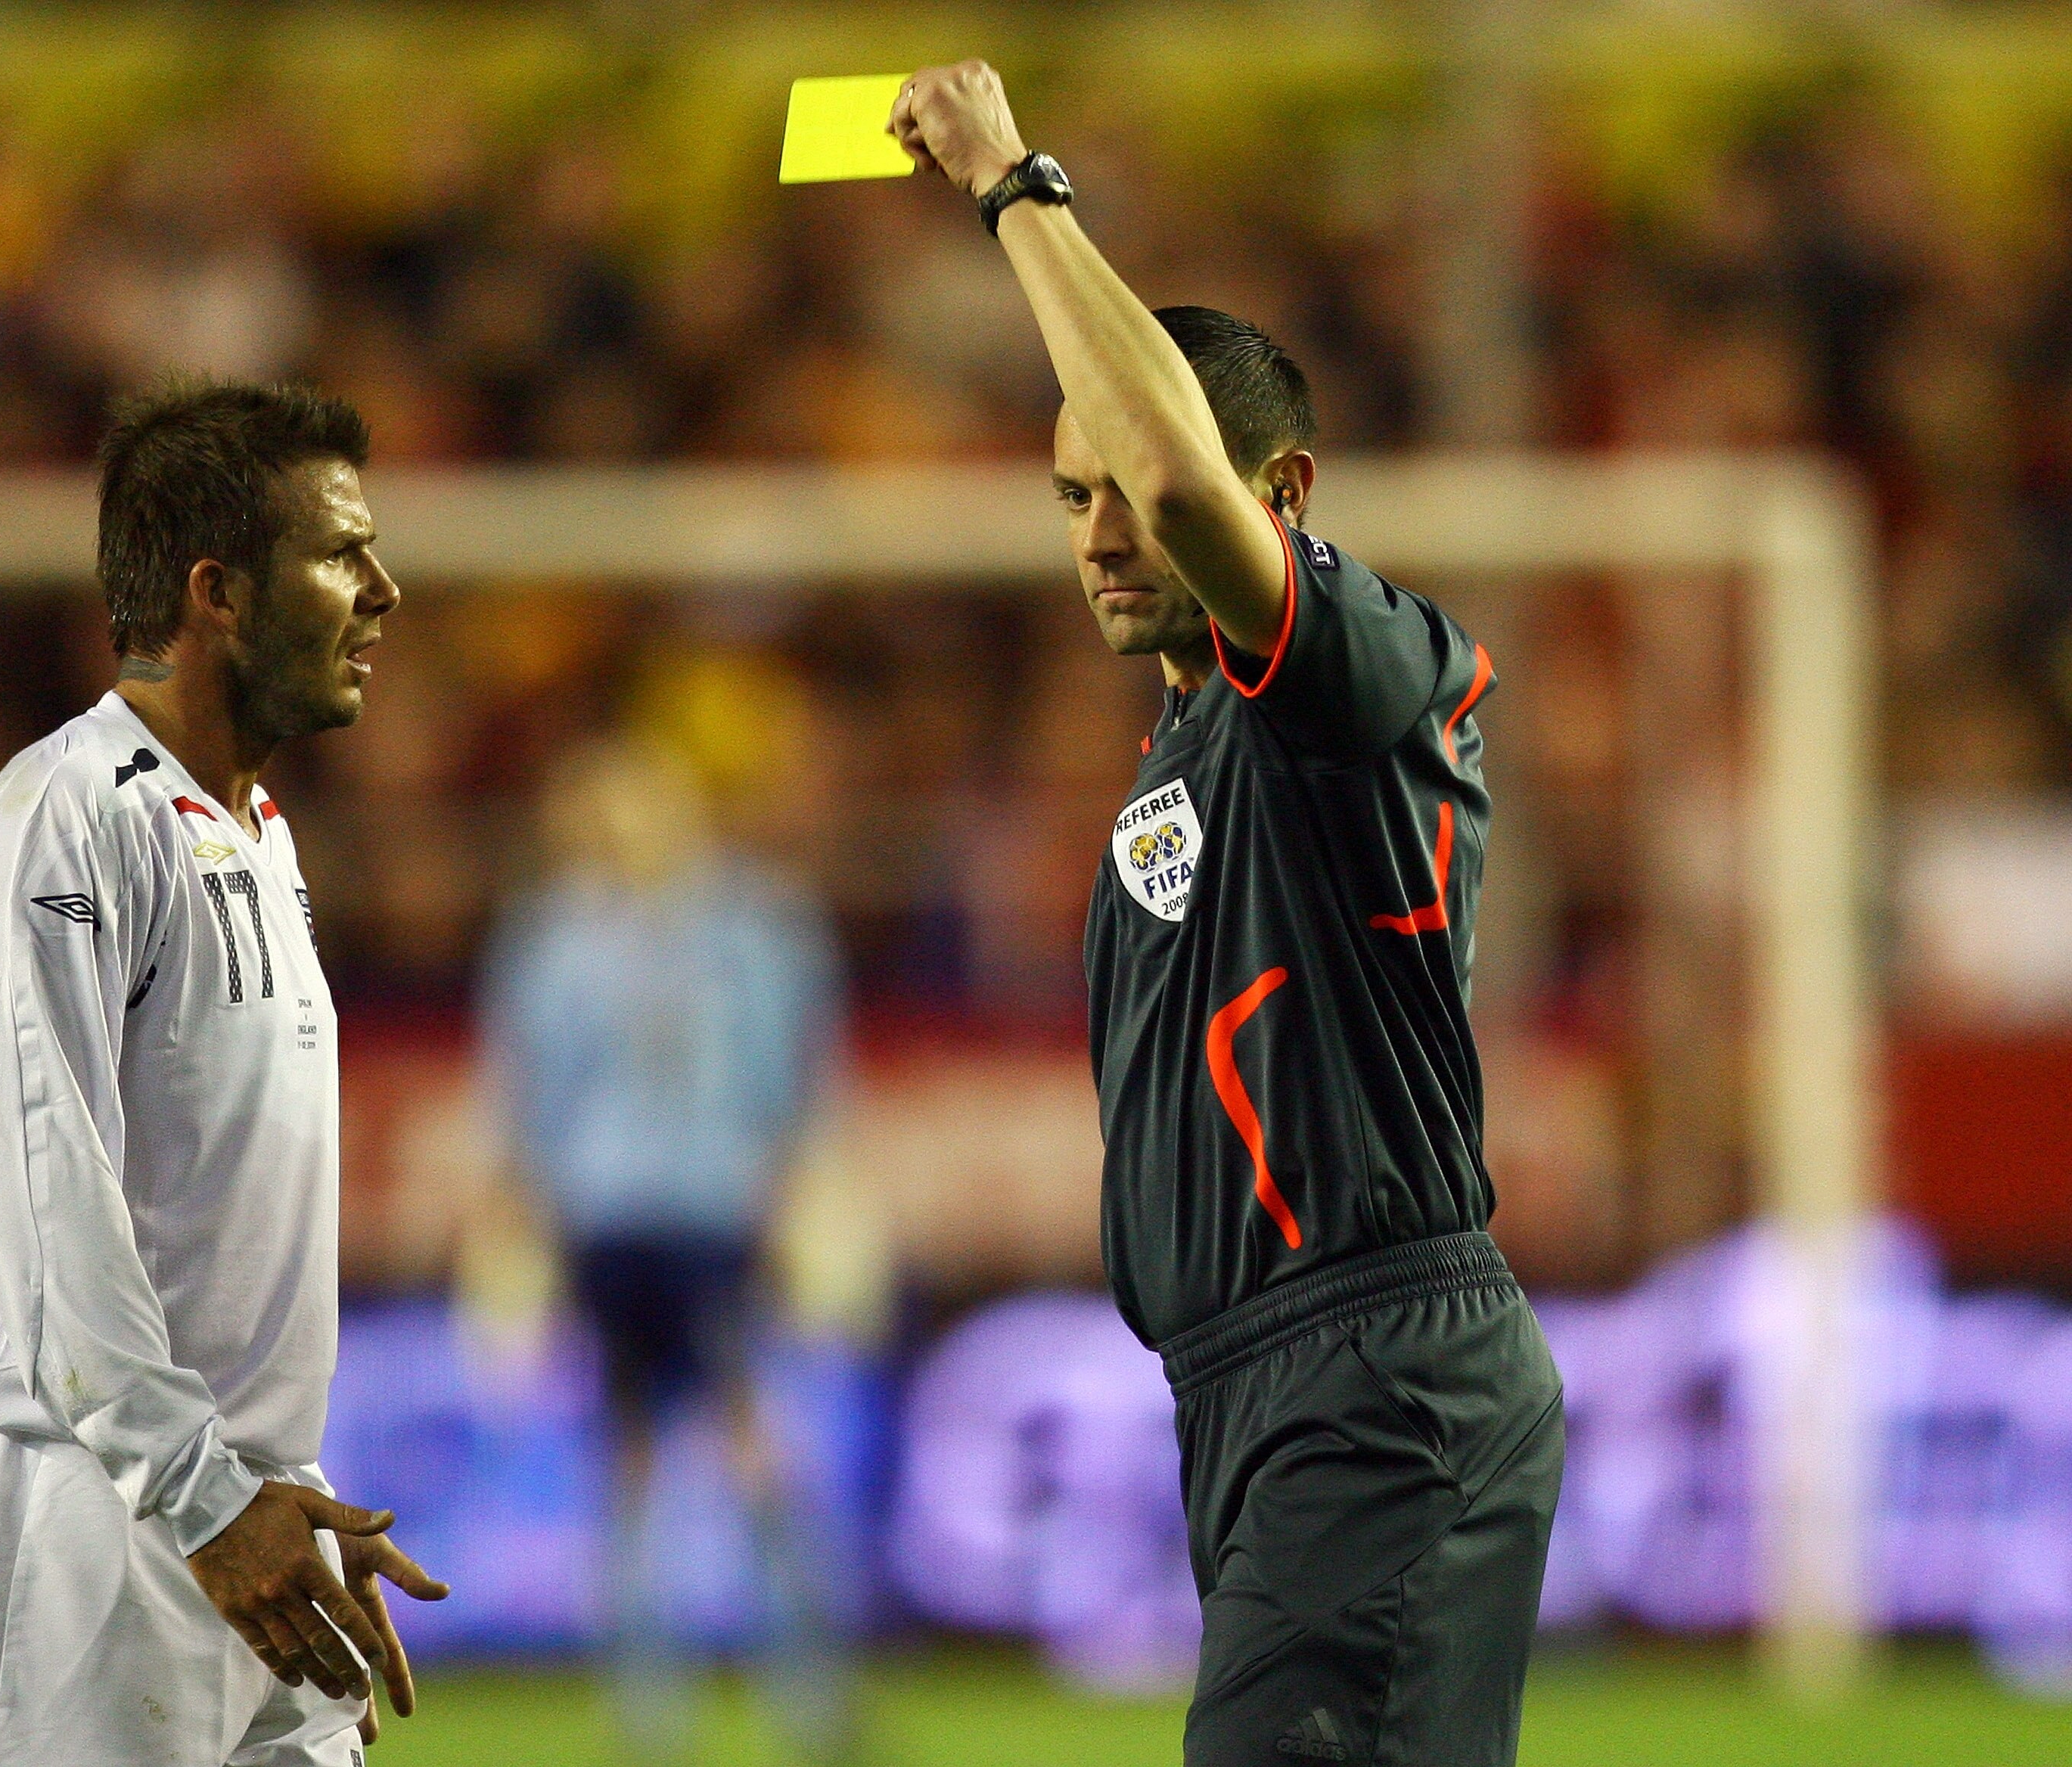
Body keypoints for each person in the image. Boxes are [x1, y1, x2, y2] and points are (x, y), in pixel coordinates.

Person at [892, 64, 1565, 1766]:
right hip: (1260, 1397)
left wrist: (1011, 187)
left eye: (1121, 478)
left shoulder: (1362, 679)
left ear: (1289, 488)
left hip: (1380, 1384)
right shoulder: (1186, 741)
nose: (1102, 533)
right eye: (1069, 498)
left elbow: (1189, 497)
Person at [0, 377, 446, 1767]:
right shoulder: (53, 829)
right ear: (218, 592)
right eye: (339, 553)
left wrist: (277, 1494)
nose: (385, 592)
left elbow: (206, 1237)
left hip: (238, 1526)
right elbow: (48, 1208)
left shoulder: (255, 838)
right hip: (67, 1535)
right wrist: (206, 1496)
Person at [482, 738, 850, 1762]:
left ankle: (779, 1695)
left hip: (698, 1215)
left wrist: (807, 1199)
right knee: (674, 1453)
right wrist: (520, 1227)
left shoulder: (739, 926)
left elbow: (794, 1080)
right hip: (629, 1220)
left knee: (719, 1450)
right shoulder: (572, 935)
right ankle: (702, 1703)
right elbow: (528, 1099)